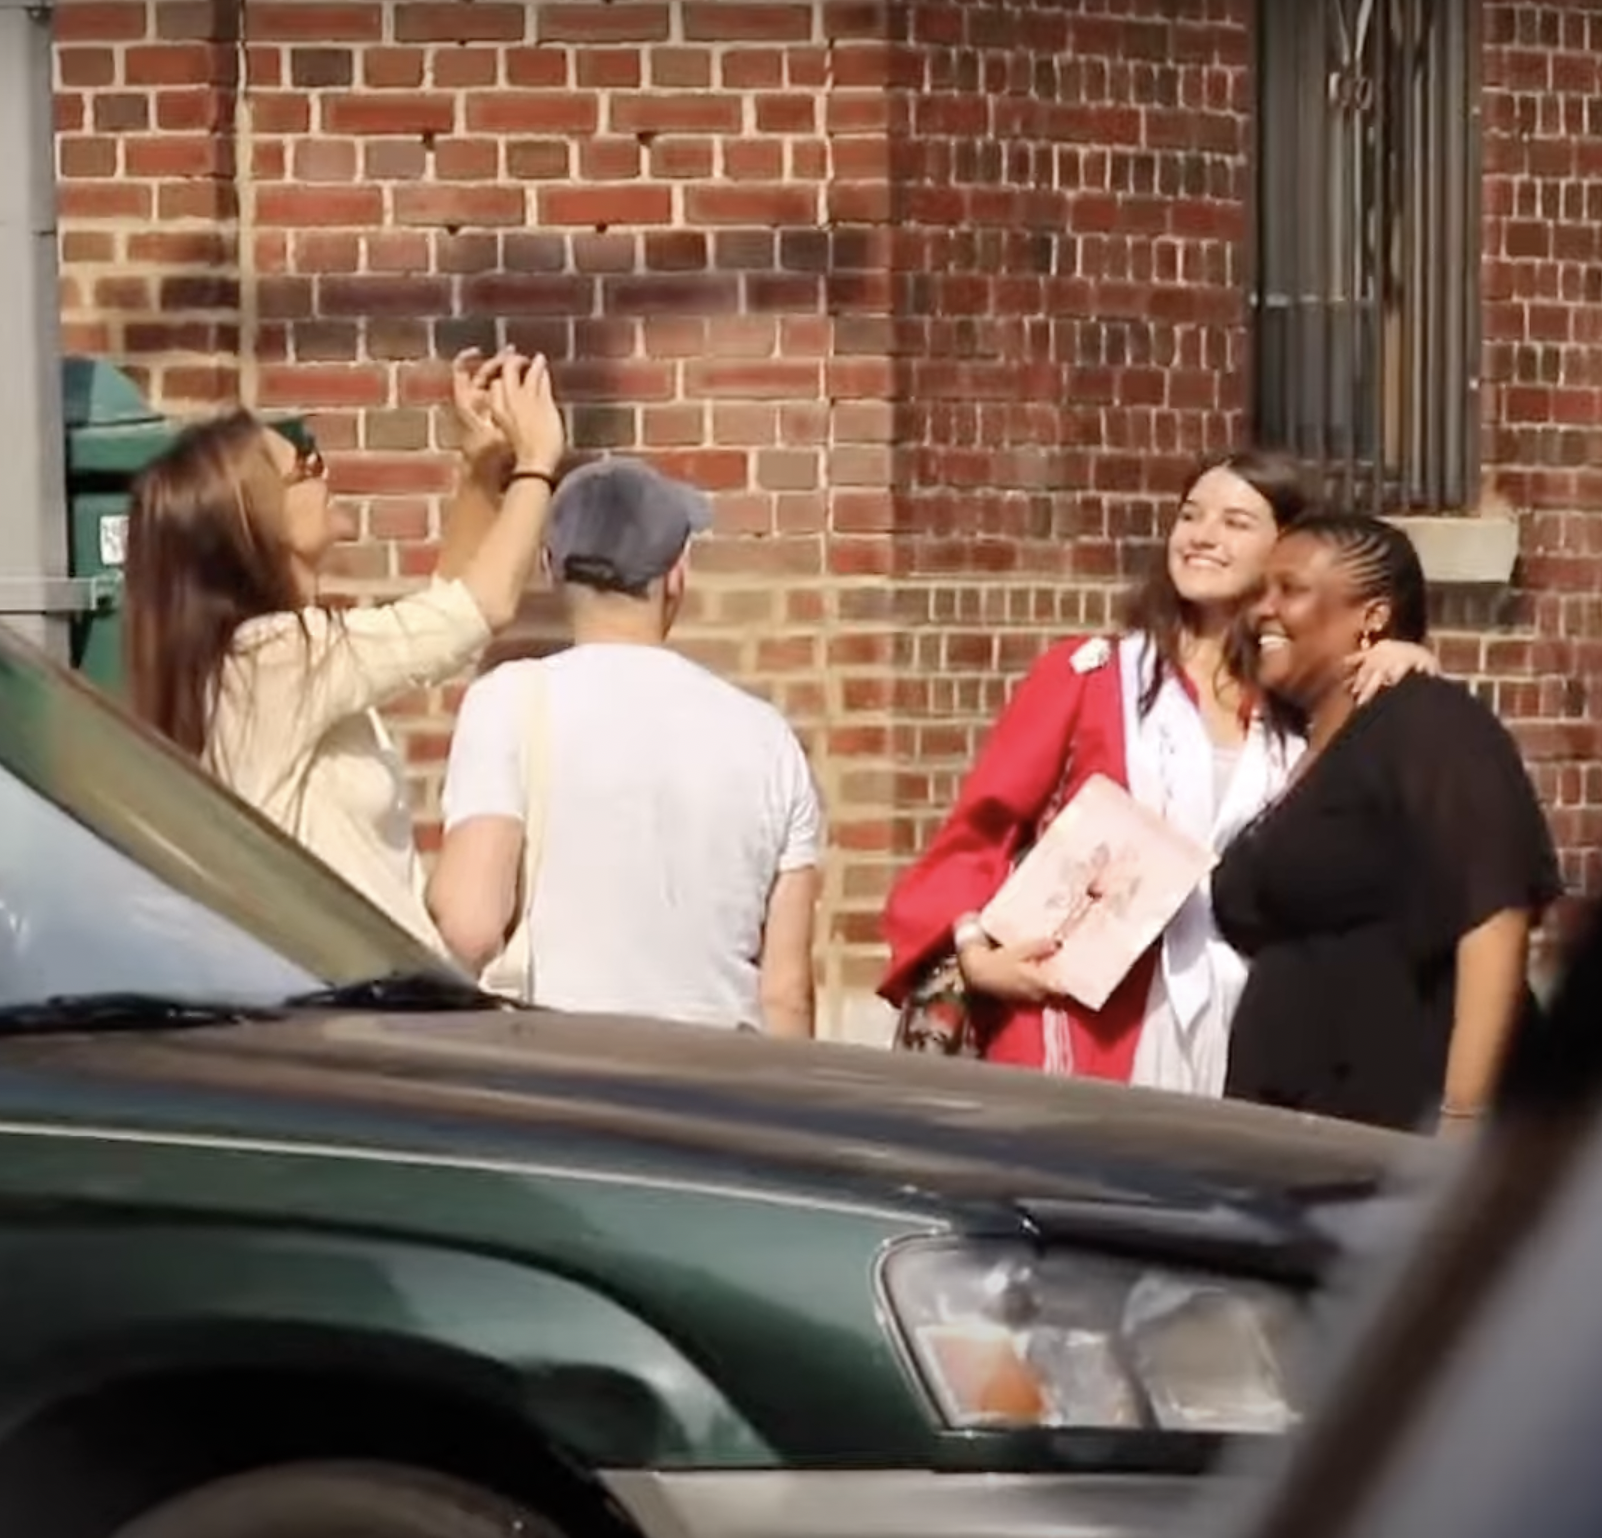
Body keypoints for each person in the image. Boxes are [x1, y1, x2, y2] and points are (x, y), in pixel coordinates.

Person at [878, 449, 1440, 1088]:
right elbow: (974, 837)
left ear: (1288, 550)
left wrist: (1401, 661)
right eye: (1190, 515)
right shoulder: (1089, 678)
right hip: (1084, 1025)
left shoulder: (1300, 707)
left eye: (1235, 521)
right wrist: (977, 956)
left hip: (1248, 1028)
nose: (1202, 536)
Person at [122, 347, 566, 953]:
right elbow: (480, 607)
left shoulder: (268, 658)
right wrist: (537, 464)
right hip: (355, 1012)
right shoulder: (271, 656)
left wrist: (481, 467)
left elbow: (445, 607)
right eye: (304, 466)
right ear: (254, 523)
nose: (323, 471)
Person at [427, 455, 823, 1038]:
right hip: (724, 1084)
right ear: (676, 574)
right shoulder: (766, 737)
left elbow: (470, 924)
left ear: (550, 566)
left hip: (561, 1079)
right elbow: (785, 995)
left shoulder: (509, 701)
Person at [1215, 512, 1562, 1133]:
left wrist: (1463, 1116)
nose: (1261, 610)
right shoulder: (1304, 746)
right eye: (1259, 592)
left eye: (1290, 590)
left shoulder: (1425, 719)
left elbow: (1493, 911)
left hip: (1397, 1126)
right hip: (1296, 1135)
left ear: (1372, 617)